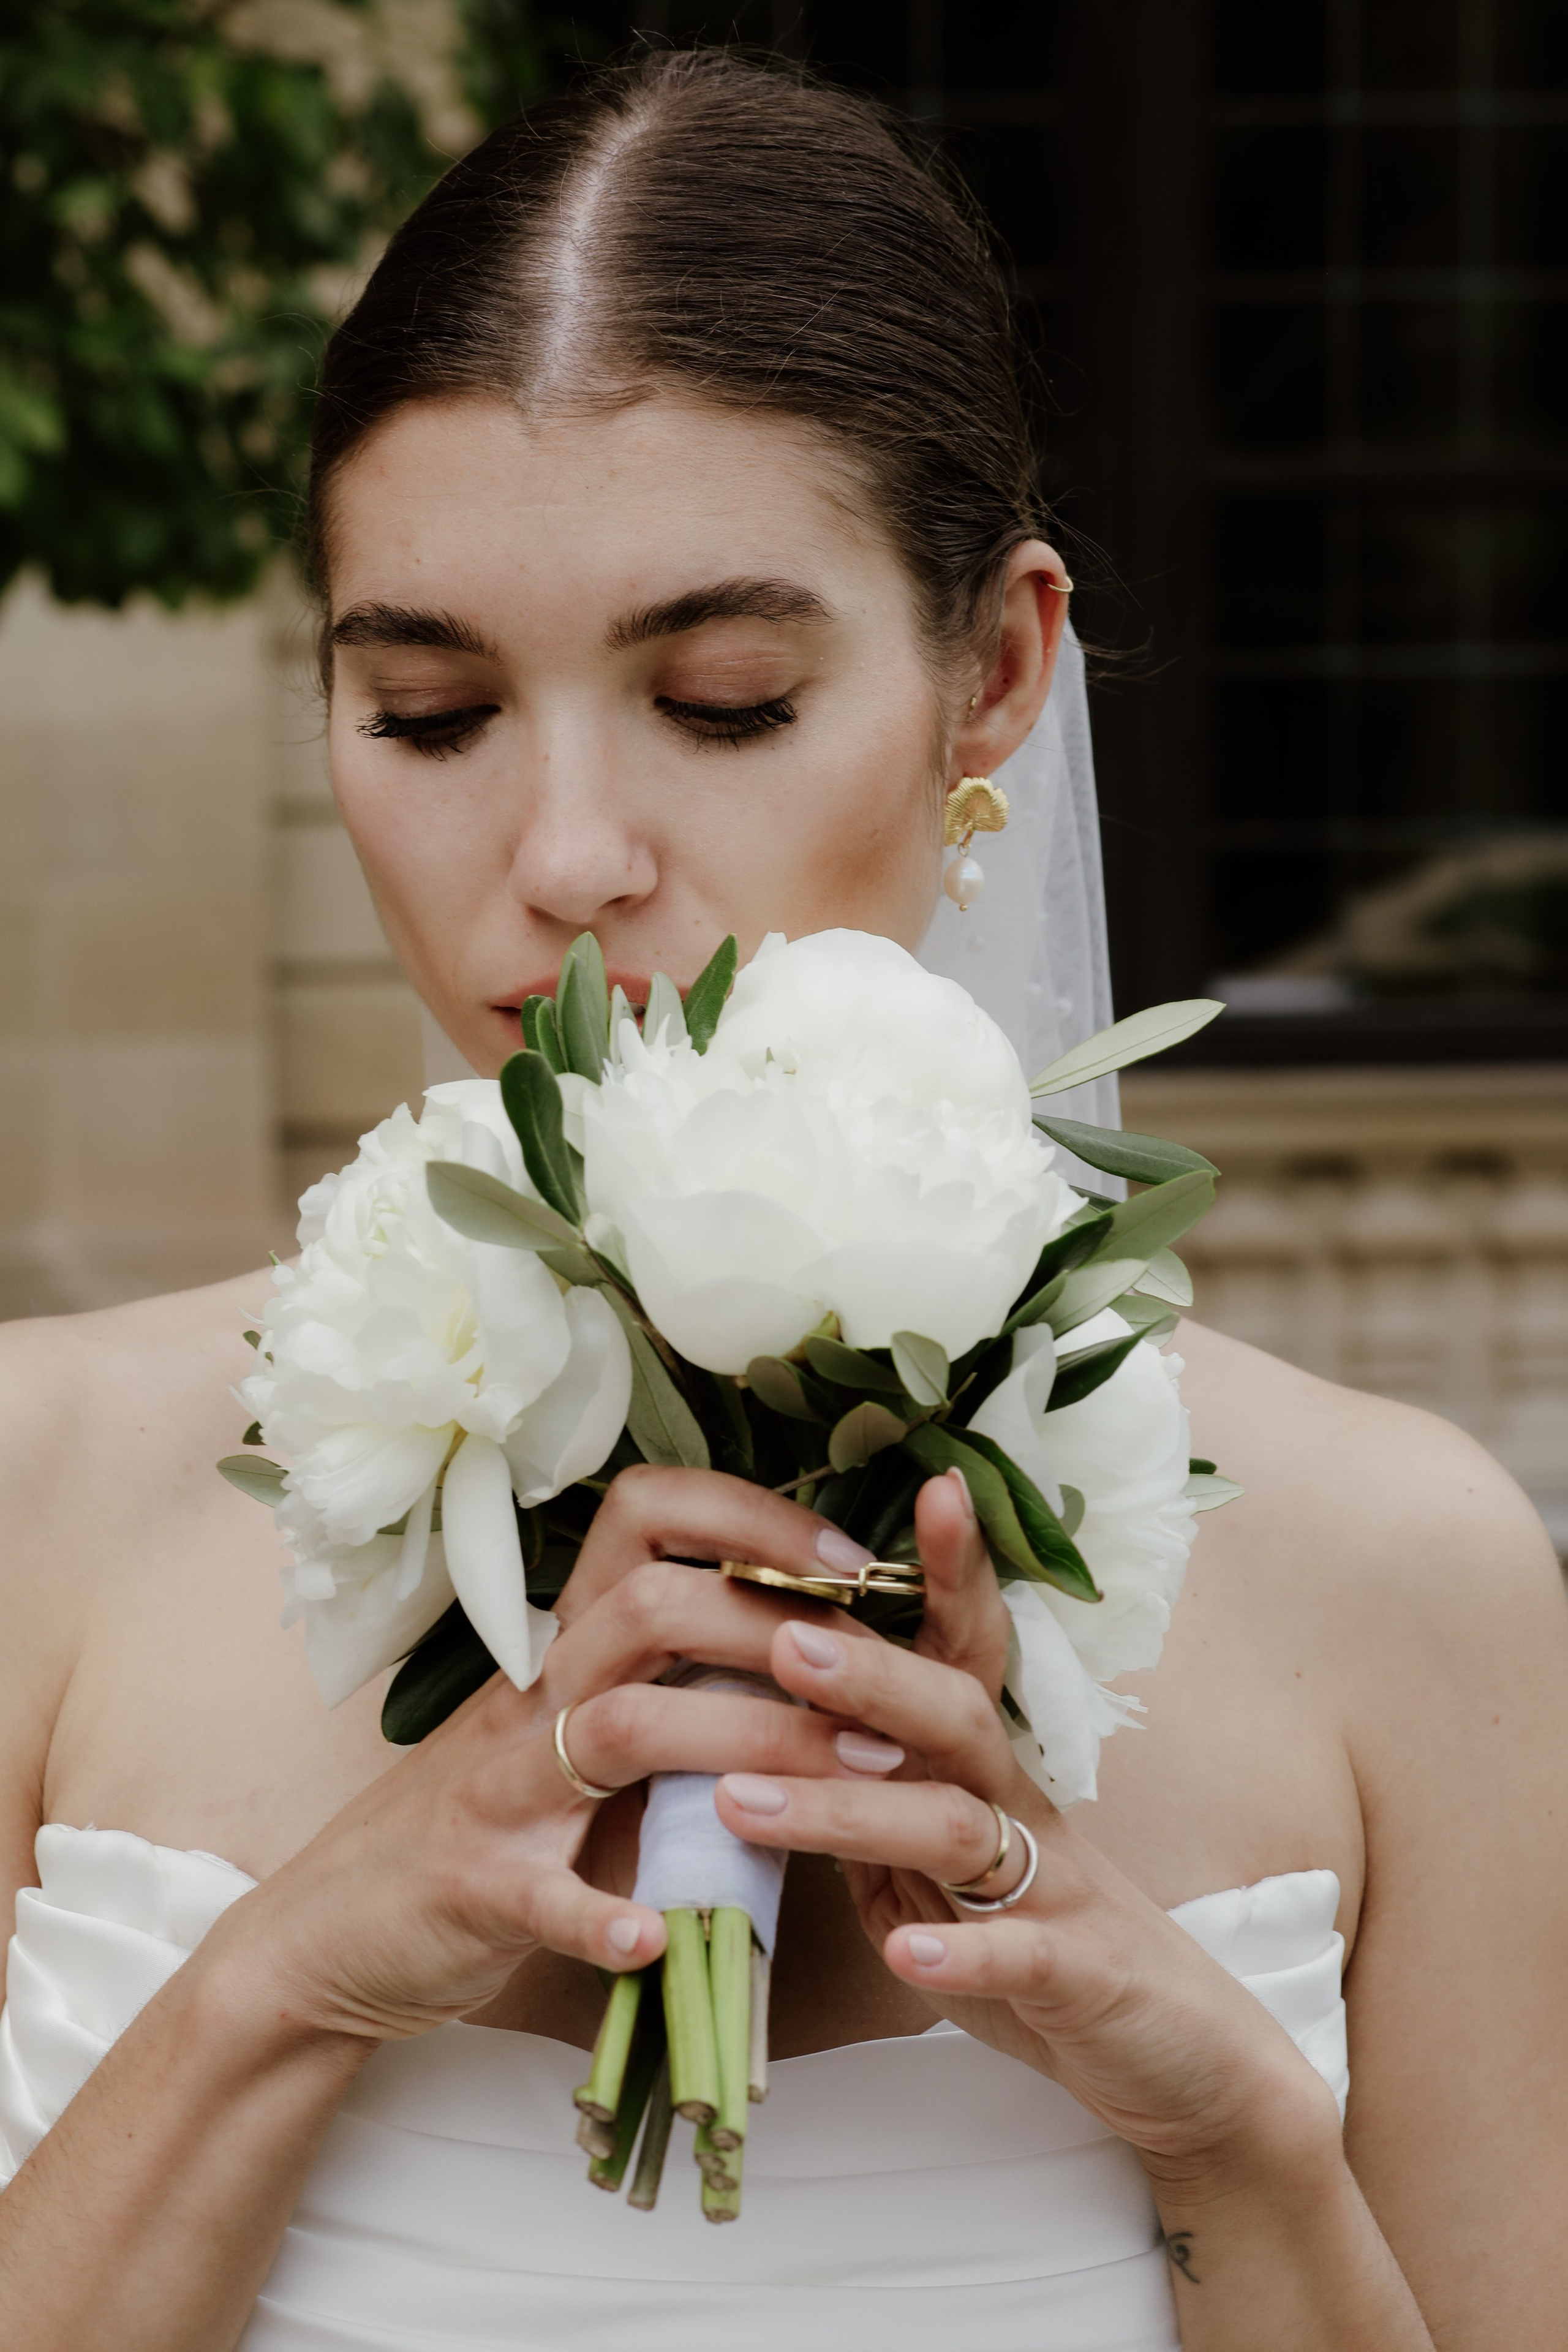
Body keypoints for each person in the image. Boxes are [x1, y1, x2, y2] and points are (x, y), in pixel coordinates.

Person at [1, 48, 1565, 2352]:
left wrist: (1226, 2138)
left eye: (723, 701)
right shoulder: (33, 1493)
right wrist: (292, 1979)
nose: (561, 861)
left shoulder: (1407, 1578)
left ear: (995, 674)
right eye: (427, 713)